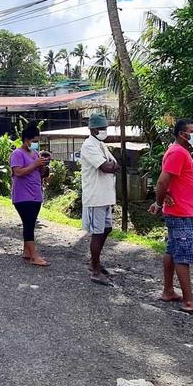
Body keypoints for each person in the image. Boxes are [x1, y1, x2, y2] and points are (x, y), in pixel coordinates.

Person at [148, 118, 193, 319]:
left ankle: (168, 291)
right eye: (192, 131)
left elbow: (168, 182)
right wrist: (159, 203)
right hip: (182, 212)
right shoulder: (177, 152)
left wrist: (162, 200)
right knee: (183, 254)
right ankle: (188, 300)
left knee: (173, 249)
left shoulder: (180, 152)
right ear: (181, 134)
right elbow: (162, 182)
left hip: (184, 210)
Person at [80, 114, 119, 285]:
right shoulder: (89, 146)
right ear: (94, 129)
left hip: (106, 196)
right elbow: (106, 167)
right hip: (96, 196)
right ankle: (95, 270)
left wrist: (113, 166)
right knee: (98, 232)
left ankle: (95, 262)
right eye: (102, 128)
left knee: (107, 229)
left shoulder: (101, 145)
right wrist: (112, 166)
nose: (105, 131)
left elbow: (113, 164)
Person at [10, 123, 49, 267]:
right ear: (26, 140)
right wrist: (35, 164)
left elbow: (39, 173)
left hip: (35, 194)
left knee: (30, 224)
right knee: (28, 224)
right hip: (23, 196)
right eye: (34, 141)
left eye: (37, 142)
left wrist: (43, 166)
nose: (36, 144)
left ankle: (27, 251)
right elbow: (18, 172)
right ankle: (34, 256)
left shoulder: (35, 154)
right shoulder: (17, 154)